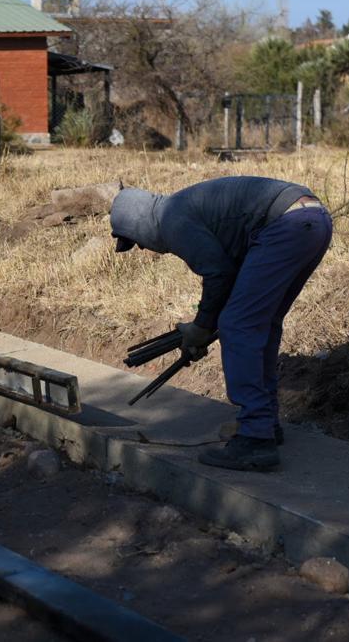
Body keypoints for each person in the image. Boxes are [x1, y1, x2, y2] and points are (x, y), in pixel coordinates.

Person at [110, 176, 333, 472]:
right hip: (312, 221)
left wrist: (202, 327)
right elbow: (233, 275)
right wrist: (204, 326)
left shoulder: (172, 219)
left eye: (136, 242)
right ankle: (265, 424)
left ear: (137, 224)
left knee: (239, 326)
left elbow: (219, 275)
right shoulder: (180, 208)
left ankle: (255, 440)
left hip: (288, 226)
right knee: (259, 323)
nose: (142, 248)